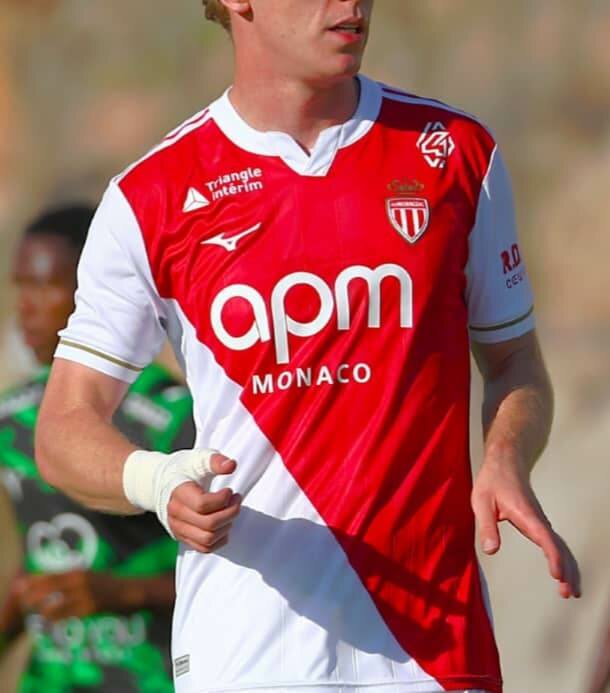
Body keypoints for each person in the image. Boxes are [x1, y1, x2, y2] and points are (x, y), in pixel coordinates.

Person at [35, 2, 581, 692]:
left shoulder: (455, 151)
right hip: (249, 654)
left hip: (435, 651)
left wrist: (505, 456)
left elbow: (515, 362)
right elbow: (63, 427)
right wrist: (158, 481)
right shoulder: (151, 196)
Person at [0, 204, 195, 692]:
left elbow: (240, 571)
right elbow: (38, 559)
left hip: (151, 677)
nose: (26, 307)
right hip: (52, 680)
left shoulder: (170, 416)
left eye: (46, 285)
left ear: (96, 289)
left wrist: (125, 592)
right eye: (21, 286)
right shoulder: (12, 420)